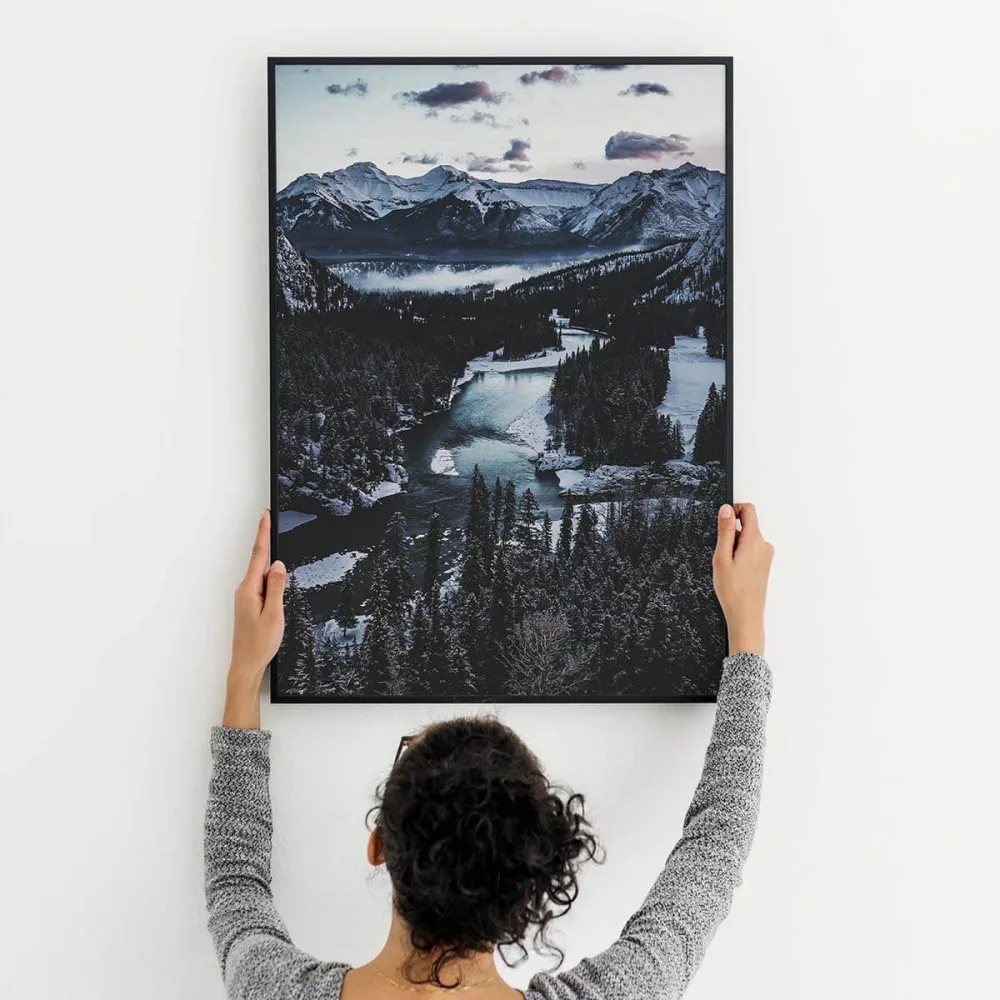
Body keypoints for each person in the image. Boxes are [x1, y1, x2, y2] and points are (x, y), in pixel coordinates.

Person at [205, 503, 774, 999]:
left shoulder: (272, 988)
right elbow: (717, 846)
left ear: (377, 844)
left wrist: (245, 673)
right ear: (527, 885)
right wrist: (745, 629)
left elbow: (234, 878)